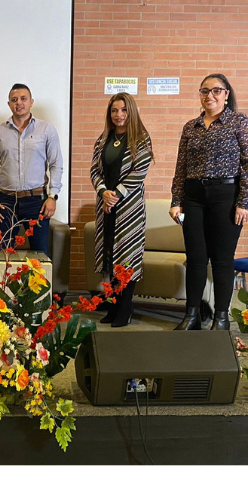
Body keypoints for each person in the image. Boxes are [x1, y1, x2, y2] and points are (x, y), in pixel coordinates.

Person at [170, 73, 248, 331]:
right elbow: (181, 167)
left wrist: (245, 202)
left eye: (216, 91)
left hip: (226, 196)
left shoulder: (239, 122)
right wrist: (177, 200)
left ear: (226, 94)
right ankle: (192, 315)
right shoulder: (191, 127)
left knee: (222, 259)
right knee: (196, 258)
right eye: (204, 91)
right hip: (194, 196)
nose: (210, 96)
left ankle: (220, 319)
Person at [90, 93, 154, 327]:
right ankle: (114, 305)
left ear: (131, 112)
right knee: (110, 256)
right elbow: (94, 171)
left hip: (129, 210)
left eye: (124, 110)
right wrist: (103, 193)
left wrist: (114, 194)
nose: (119, 115)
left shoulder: (141, 139)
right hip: (106, 208)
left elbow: (139, 172)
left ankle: (125, 308)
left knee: (126, 258)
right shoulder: (103, 139)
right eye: (114, 110)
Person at [0, 83, 63, 257]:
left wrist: (52, 196)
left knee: (40, 256)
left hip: (37, 202)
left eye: (23, 99)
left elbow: (56, 163)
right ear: (9, 104)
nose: (19, 103)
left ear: (31, 102)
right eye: (14, 100)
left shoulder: (46, 130)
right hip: (6, 202)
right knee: (3, 255)